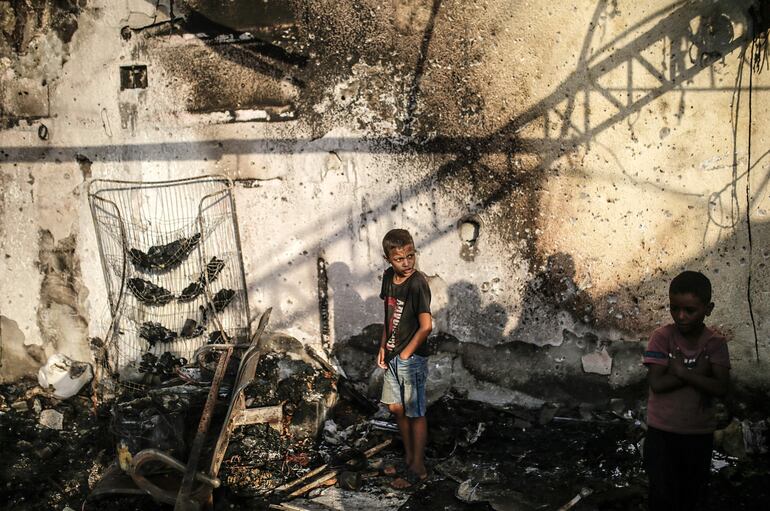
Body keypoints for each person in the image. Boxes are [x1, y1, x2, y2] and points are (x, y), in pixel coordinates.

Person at [643, 271, 730, 511]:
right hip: (662, 433)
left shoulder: (715, 343)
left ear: (708, 308)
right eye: (674, 308)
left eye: (690, 310)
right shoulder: (661, 338)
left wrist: (683, 373)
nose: (681, 316)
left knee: (691, 494)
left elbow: (722, 388)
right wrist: (698, 374)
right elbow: (657, 384)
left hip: (698, 434)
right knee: (661, 494)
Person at [376, 228, 432, 489]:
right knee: (396, 408)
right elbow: (388, 314)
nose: (407, 262)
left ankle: (418, 467)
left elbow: (426, 326)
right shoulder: (389, 277)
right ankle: (409, 457)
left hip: (410, 358)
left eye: (411, 255)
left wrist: (407, 354)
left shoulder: (417, 283)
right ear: (388, 259)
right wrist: (382, 347)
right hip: (392, 355)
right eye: (400, 258)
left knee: (415, 412)